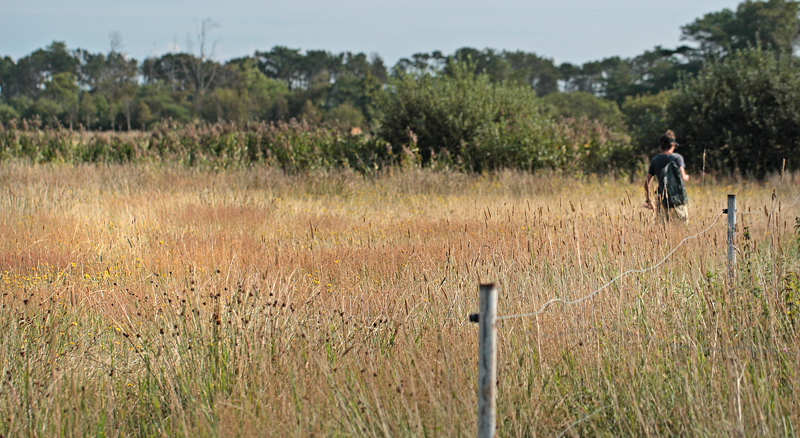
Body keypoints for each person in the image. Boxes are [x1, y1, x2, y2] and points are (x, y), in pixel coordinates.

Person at [643, 130, 689, 223]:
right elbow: (684, 177)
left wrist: (649, 200)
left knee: (662, 228)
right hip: (677, 198)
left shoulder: (655, 160)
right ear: (672, 145)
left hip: (662, 199)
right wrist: (686, 177)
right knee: (682, 226)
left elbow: (647, 183)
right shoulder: (677, 158)